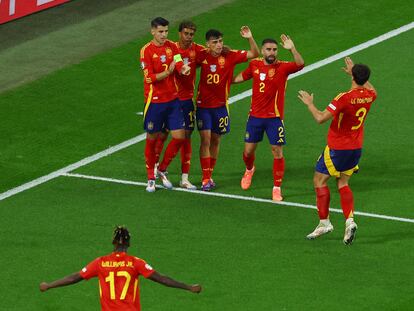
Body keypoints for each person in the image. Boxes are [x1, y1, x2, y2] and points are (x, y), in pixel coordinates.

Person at [297, 57, 377, 245]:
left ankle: (324, 222)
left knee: (319, 179)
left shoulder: (343, 98)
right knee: (343, 183)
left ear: (352, 77)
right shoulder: (369, 95)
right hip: (356, 149)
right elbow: (373, 90)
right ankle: (349, 221)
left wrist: (309, 103)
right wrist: (358, 75)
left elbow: (320, 118)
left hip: (338, 148)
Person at [39, 226, 201, 310]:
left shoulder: (100, 262)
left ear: (114, 243)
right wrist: (188, 287)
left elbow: (74, 277)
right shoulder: (135, 262)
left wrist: (50, 285)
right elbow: (162, 279)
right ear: (129, 244)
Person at [233, 35, 304, 201]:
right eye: (268, 49)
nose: (272, 52)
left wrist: (292, 48)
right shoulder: (254, 64)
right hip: (255, 118)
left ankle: (276, 188)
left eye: (274, 49)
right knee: (248, 151)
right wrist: (223, 80)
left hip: (275, 118)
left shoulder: (283, 67)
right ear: (263, 51)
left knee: (277, 152)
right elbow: (240, 78)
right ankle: (249, 170)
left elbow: (300, 64)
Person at [196, 26, 259, 191]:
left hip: (221, 107)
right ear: (207, 44)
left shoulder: (229, 56)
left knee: (216, 140)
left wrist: (249, 38)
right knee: (206, 139)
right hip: (203, 107)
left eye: (220, 41)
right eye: (215, 42)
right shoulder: (201, 56)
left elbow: (254, 54)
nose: (218, 45)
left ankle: (209, 174)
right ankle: (205, 178)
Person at [140, 17, 191, 193]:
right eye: (160, 31)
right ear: (152, 31)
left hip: (173, 100)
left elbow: (177, 60)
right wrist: (168, 72)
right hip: (155, 102)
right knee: (152, 139)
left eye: (166, 31)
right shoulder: (146, 51)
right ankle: (150, 177)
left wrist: (181, 68)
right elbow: (149, 78)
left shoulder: (172, 46)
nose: (164, 35)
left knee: (179, 137)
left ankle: (162, 169)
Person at [153, 21, 205, 190]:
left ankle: (184, 178)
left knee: (186, 137)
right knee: (163, 134)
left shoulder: (197, 49)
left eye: (191, 34)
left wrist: (222, 49)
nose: (189, 37)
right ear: (180, 33)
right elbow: (177, 62)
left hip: (187, 101)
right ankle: (156, 167)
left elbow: (211, 54)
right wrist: (182, 69)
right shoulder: (172, 49)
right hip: (170, 99)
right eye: (186, 33)